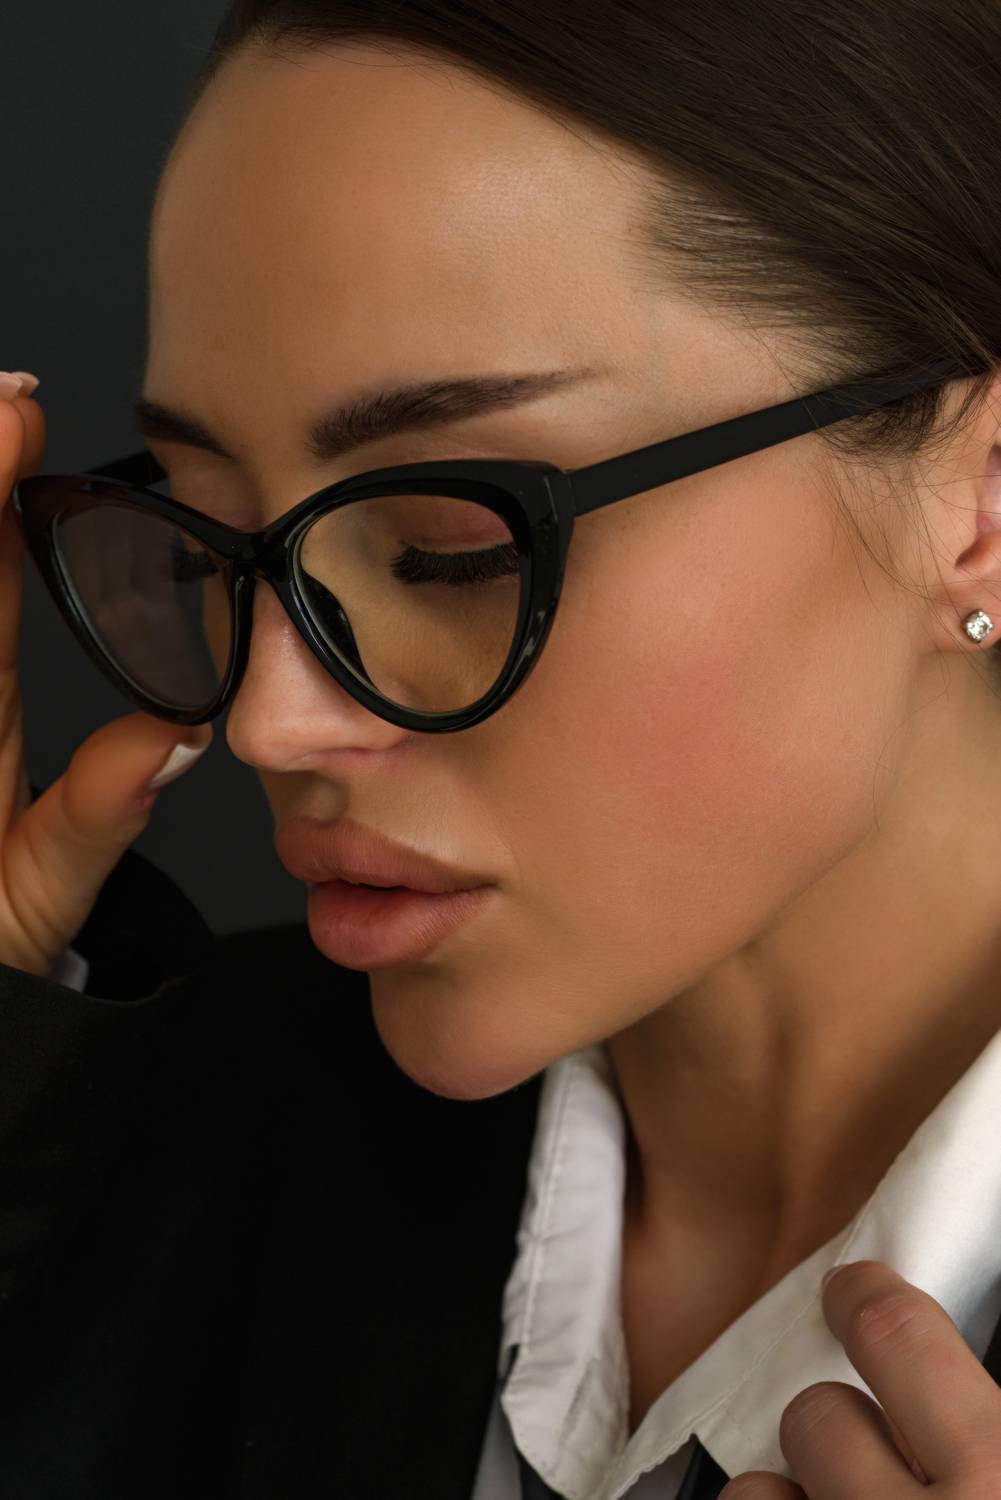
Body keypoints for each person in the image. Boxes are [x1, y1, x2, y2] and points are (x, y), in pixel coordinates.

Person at [2, 2, 1001, 1496]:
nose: (268, 719)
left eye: (446, 544)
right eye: (211, 539)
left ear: (980, 500)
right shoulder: (133, 1164)